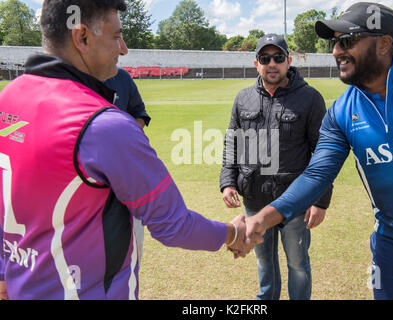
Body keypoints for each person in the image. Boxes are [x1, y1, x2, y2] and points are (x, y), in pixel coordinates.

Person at [0, 0, 255, 300]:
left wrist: (5, 274)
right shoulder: (105, 126)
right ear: (82, 37)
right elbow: (173, 224)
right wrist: (233, 233)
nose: (123, 49)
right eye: (116, 36)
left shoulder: (9, 97)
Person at [245, 2, 393, 300]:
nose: (336, 51)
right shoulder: (341, 111)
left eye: (348, 40)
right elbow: (316, 175)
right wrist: (262, 218)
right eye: (334, 42)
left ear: (383, 43)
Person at [220, 34, 333, 300]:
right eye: (265, 58)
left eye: (278, 58)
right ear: (256, 63)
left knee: (297, 265)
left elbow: (325, 153)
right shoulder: (243, 98)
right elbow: (232, 142)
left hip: (295, 200)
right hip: (255, 198)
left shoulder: (310, 98)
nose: (272, 64)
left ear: (288, 61)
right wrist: (228, 181)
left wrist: (321, 201)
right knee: (263, 262)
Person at [104, 68, 151, 265]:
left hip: (124, 181)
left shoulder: (121, 77)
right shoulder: (65, 80)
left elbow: (139, 112)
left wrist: (126, 134)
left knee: (130, 256)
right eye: (115, 37)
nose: (123, 48)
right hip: (83, 185)